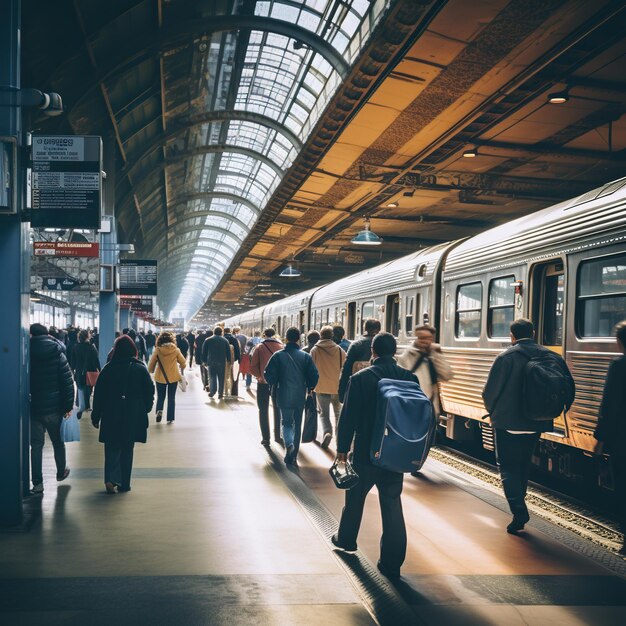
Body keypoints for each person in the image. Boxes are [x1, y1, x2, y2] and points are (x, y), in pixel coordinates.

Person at [334, 332, 418, 579]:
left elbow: (348, 416)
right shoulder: (409, 378)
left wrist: (342, 450)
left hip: (365, 451)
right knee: (392, 504)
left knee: (355, 497)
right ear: (394, 352)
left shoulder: (361, 378)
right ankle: (392, 562)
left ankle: (347, 540)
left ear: (373, 351)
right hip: (395, 453)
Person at [482, 318, 575, 534]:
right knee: (523, 466)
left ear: (511, 336)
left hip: (508, 423)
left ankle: (518, 511)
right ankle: (520, 502)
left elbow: (490, 392)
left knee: (508, 468)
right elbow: (568, 386)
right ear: (533, 333)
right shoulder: (551, 356)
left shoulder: (505, 357)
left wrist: (493, 410)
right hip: (537, 422)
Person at [91, 335, 155, 493]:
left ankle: (110, 479)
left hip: (111, 412)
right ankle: (124, 483)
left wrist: (96, 415)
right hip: (132, 413)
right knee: (127, 448)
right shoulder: (140, 368)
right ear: (134, 350)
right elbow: (149, 391)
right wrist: (145, 407)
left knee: (111, 446)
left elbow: (99, 394)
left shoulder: (108, 369)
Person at [397, 324, 453, 475]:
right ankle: (411, 463)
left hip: (430, 404)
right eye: (421, 338)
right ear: (416, 337)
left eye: (428, 338)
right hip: (412, 405)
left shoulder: (434, 355)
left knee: (427, 439)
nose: (425, 341)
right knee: (413, 437)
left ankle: (416, 462)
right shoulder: (406, 356)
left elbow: (447, 375)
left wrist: (437, 356)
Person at [29, 323, 74, 494]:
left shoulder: (26, 352)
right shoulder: (58, 353)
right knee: (57, 442)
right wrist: (68, 406)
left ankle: (38, 483)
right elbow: (67, 382)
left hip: (33, 408)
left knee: (36, 445)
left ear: (31, 335)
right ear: (47, 334)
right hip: (54, 408)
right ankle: (61, 472)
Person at [594, 320, 626, 555]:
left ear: (619, 342)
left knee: (623, 489)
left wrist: (600, 438)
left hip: (622, 441)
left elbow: (610, 406)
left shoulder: (619, 366)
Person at [264, 327, 319, 465]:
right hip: (300, 395)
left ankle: (288, 444)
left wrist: (274, 382)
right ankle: (293, 456)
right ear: (299, 339)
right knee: (298, 424)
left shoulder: (277, 355)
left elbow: (268, 374)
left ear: (286, 338)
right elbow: (314, 375)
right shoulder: (306, 356)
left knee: (286, 423)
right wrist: (310, 387)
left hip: (282, 394)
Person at [310, 326, 346, 449]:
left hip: (321, 387)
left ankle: (327, 432)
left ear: (321, 336)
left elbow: (311, 369)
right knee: (338, 415)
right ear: (332, 336)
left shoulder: (314, 350)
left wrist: (310, 386)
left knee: (324, 414)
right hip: (336, 387)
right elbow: (344, 368)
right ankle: (339, 441)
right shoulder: (340, 350)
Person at [249, 328, 283, 446]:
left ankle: (266, 438)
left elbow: (252, 366)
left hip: (263, 383)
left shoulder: (259, 347)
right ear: (275, 335)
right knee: (278, 409)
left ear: (264, 335)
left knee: (263, 410)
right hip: (278, 384)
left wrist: (259, 376)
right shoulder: (281, 346)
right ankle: (278, 435)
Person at [338, 318, 381, 402]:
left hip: (359, 388)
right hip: (378, 388)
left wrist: (342, 392)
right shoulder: (383, 343)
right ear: (379, 329)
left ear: (365, 329)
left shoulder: (356, 345)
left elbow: (346, 369)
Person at [148, 332, 186, 424]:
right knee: (171, 397)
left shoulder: (158, 350)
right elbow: (183, 362)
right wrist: (182, 369)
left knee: (160, 397)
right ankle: (170, 417)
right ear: (172, 340)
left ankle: (159, 411)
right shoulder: (176, 350)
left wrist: (151, 370)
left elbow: (151, 363)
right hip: (173, 376)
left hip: (160, 377)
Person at [70, 329, 101, 419]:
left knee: (80, 389)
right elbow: (96, 361)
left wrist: (73, 371)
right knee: (88, 389)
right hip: (90, 371)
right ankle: (86, 406)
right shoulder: (92, 347)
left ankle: (81, 407)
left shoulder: (75, 347)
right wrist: (100, 370)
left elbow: (73, 362)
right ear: (88, 337)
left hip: (79, 372)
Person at [202, 326, 231, 399]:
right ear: (221, 332)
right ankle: (220, 394)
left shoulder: (208, 340)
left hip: (211, 362)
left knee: (212, 378)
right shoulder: (225, 340)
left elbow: (204, 352)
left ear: (213, 332)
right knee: (221, 378)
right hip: (221, 362)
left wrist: (204, 361)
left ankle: (212, 392)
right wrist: (229, 360)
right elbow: (228, 352)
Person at [223, 328, 241, 396]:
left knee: (224, 376)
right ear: (230, 331)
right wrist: (239, 359)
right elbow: (237, 349)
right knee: (232, 376)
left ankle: (225, 390)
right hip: (233, 360)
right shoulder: (234, 339)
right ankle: (232, 391)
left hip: (223, 360)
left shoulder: (222, 338)